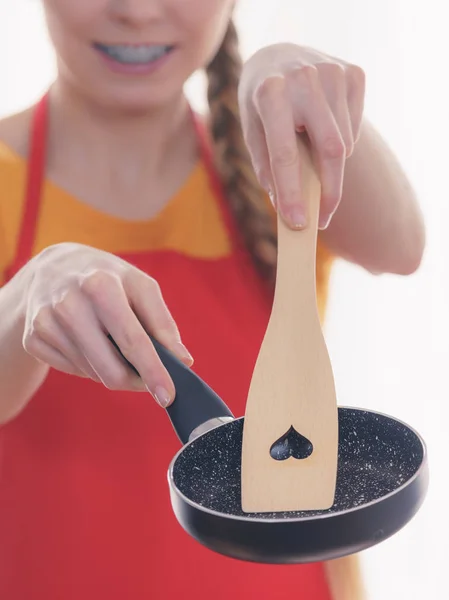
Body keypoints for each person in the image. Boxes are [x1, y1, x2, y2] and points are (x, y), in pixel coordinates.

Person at [0, 1, 425, 599]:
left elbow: (402, 247)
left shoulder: (278, 169)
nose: (138, 12)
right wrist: (22, 298)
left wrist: (292, 81)